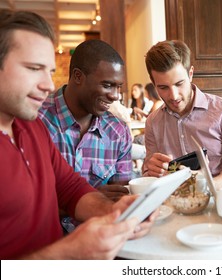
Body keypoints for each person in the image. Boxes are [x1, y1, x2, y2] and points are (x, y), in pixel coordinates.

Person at [0, 9, 156, 260]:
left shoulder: (31, 127)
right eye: (33, 68)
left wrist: (115, 210)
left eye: (49, 72)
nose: (49, 85)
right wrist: (69, 253)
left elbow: (71, 189)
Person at [39, 39, 134, 232]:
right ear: (78, 76)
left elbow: (120, 200)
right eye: (107, 85)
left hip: (100, 242)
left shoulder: (118, 132)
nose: (116, 95)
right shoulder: (36, 121)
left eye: (118, 86)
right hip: (43, 244)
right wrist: (90, 199)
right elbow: (22, 206)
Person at [142, 40, 222, 191]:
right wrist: (151, 171)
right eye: (163, 87)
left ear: (190, 74)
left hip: (218, 205)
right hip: (174, 207)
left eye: (179, 83)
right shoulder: (153, 122)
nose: (173, 96)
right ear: (154, 85)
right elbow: (149, 177)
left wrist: (202, 185)